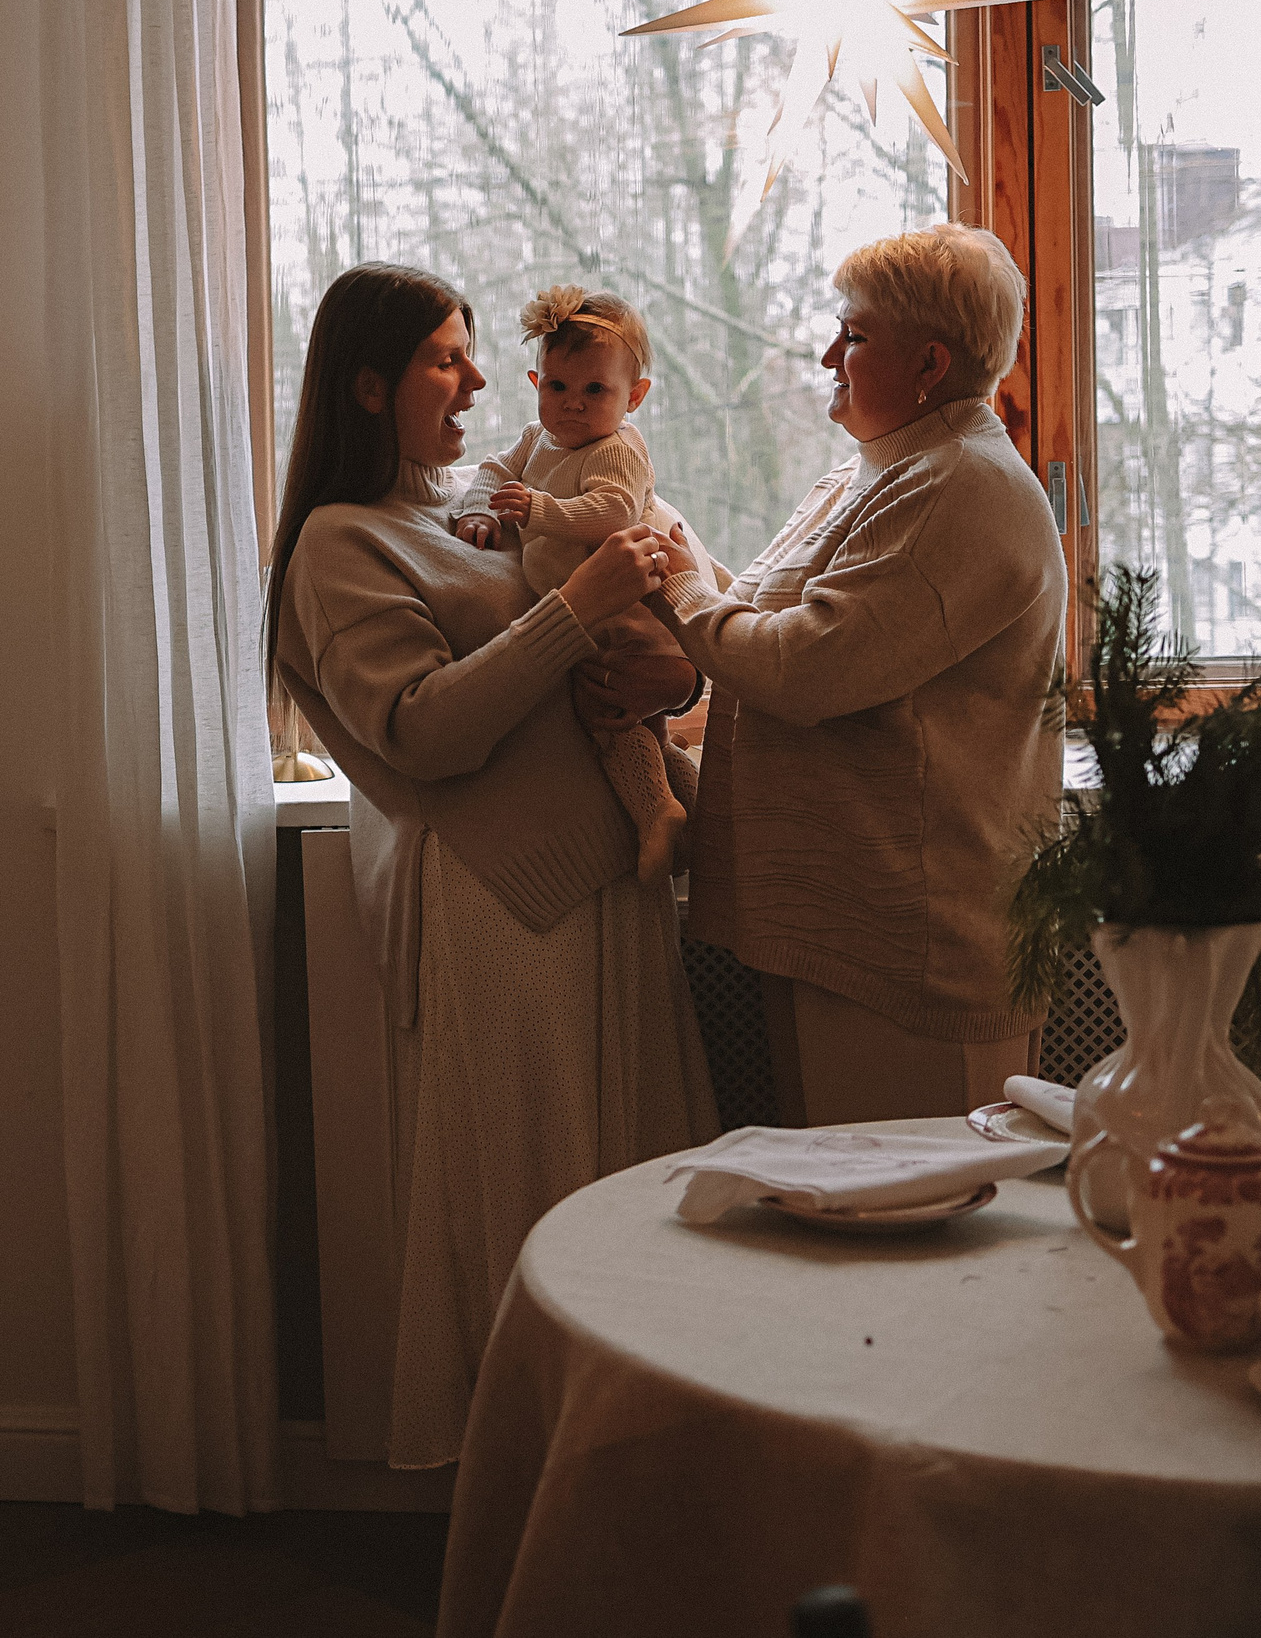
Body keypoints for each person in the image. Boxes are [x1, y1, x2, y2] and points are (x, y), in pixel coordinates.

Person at [270, 263, 716, 1470]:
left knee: (628, 1197)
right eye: (446, 359)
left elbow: (599, 671)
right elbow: (421, 729)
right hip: (505, 905)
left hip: (604, 884)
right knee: (535, 1201)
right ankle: (536, 1500)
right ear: (370, 386)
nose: (478, 383)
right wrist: (576, 606)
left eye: (471, 356)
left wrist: (673, 672)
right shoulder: (337, 543)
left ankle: (630, 1489)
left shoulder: (462, 510)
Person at [650, 222, 1066, 1125]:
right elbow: (752, 623)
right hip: (845, 931)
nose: (829, 351)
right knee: (839, 1235)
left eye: (855, 333)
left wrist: (676, 588)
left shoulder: (962, 486)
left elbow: (801, 665)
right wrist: (664, 549)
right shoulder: (875, 472)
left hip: (913, 947)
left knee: (914, 1241)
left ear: (929, 363)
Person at [451, 286, 697, 882]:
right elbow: (492, 471)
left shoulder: (618, 448)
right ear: (537, 383)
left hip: (621, 610)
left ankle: (660, 813)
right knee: (640, 731)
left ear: (633, 397)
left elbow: (613, 511)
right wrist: (478, 511)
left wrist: (538, 511)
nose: (574, 406)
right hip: (581, 610)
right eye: (558, 388)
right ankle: (694, 807)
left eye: (596, 391)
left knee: (612, 719)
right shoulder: (539, 441)